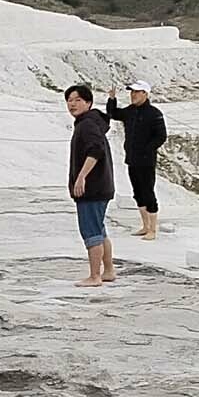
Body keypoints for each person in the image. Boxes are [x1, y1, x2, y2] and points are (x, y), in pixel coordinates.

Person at [65, 84, 117, 286]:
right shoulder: (92, 121)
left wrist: (81, 177)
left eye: (78, 100)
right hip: (102, 186)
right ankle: (109, 270)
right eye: (69, 100)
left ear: (88, 102)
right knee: (100, 230)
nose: (72, 104)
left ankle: (95, 276)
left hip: (92, 188)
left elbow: (95, 150)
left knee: (91, 231)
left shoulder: (87, 125)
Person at [106, 81, 167, 240]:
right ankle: (145, 226)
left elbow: (161, 136)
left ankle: (153, 229)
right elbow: (113, 114)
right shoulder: (130, 111)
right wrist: (112, 99)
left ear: (145, 94)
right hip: (132, 159)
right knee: (138, 193)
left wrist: (147, 149)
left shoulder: (154, 113)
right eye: (131, 92)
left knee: (148, 193)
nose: (133, 95)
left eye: (136, 92)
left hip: (146, 161)